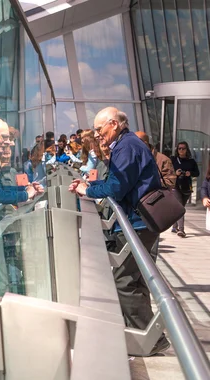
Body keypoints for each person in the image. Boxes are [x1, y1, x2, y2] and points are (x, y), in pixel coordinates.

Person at [68, 107, 170, 356]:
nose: (97, 134)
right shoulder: (128, 144)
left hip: (137, 223)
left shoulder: (126, 147)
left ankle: (152, 339)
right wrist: (90, 185)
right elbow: (117, 181)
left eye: (99, 129)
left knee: (123, 281)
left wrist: (87, 191)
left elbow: (116, 187)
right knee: (134, 279)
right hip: (140, 222)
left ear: (113, 124)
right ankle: (145, 333)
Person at [171, 141, 200, 237]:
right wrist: (176, 173)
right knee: (180, 207)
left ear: (187, 149)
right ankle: (181, 230)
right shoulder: (173, 160)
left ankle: (175, 226)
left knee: (179, 207)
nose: (181, 150)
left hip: (186, 187)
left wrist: (189, 173)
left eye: (183, 148)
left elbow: (197, 173)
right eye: (179, 148)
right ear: (177, 150)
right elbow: (169, 172)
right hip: (175, 186)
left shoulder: (191, 161)